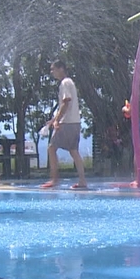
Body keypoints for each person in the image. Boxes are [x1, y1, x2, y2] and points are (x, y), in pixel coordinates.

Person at [41, 60, 88, 190]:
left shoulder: (65, 83)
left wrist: (57, 121)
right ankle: (82, 181)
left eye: (53, 69)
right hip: (75, 122)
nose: (52, 72)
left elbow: (66, 102)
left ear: (61, 68)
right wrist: (54, 120)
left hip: (66, 123)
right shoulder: (69, 82)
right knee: (74, 151)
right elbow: (66, 105)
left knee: (51, 148)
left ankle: (54, 179)